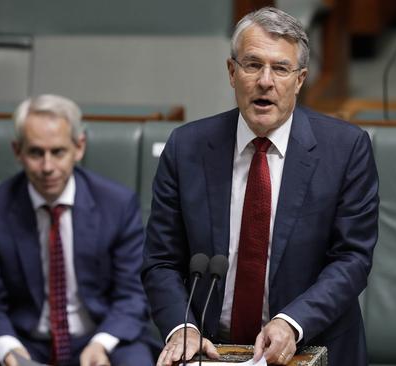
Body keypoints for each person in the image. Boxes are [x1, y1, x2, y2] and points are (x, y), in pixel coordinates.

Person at [141, 7, 379, 366]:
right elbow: (160, 261)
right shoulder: (186, 147)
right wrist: (181, 326)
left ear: (299, 80)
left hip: (309, 347)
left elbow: (352, 259)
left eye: (280, 68)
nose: (265, 81)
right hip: (209, 351)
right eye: (252, 65)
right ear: (232, 72)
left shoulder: (345, 150)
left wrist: (291, 322)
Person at [0, 94, 155, 366]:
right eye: (36, 153)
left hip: (97, 337)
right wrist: (10, 350)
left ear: (79, 147)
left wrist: (101, 343)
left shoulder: (117, 205)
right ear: (18, 151)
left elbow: (132, 296)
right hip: (22, 339)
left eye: (58, 152)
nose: (47, 167)